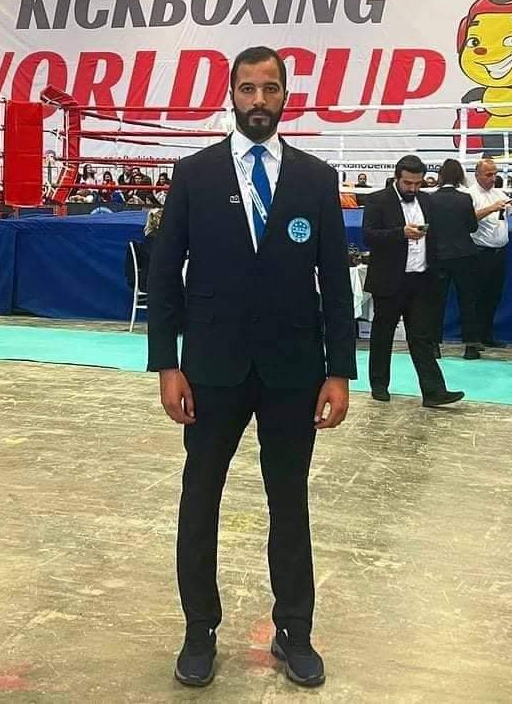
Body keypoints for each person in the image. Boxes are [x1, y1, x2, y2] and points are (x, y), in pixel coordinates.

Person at [148, 45, 355, 689]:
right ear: (231, 94)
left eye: (269, 88)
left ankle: (294, 630)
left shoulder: (315, 179)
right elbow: (165, 273)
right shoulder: (195, 174)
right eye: (247, 88)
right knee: (199, 500)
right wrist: (166, 364)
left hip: (295, 370)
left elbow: (335, 282)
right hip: (211, 370)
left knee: (289, 502)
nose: (258, 100)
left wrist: (340, 371)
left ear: (285, 95)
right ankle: (198, 630)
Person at [362, 154, 464, 406]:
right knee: (383, 335)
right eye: (408, 183)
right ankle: (379, 384)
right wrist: (401, 233)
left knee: (421, 338)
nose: (413, 188)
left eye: (418, 183)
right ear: (397, 178)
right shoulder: (377, 200)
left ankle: (433, 392)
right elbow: (369, 236)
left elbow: (436, 236)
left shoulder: (427, 201)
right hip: (389, 280)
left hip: (421, 279)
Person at [468, 158, 512, 347]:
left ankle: (487, 334)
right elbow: (467, 219)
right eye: (489, 174)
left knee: (493, 295)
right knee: (477, 296)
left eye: (495, 174)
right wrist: (491, 208)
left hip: (499, 252)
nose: (493, 178)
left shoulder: (499, 193)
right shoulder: (470, 195)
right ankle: (473, 338)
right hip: (480, 252)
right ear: (477, 175)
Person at [431, 159, 482, 360]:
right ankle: (470, 346)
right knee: (467, 301)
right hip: (464, 254)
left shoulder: (431, 199)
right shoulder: (465, 198)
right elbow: (472, 227)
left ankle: (433, 345)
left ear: (440, 176)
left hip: (439, 255)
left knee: (436, 302)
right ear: (460, 176)